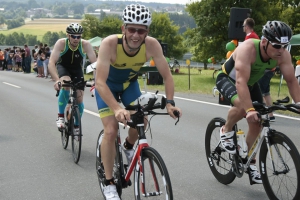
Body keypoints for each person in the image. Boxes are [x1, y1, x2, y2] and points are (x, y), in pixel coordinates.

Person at [94, 4, 182, 200]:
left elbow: (167, 76)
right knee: (111, 130)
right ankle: (109, 183)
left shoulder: (152, 45)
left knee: (142, 121)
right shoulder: (109, 44)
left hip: (128, 85)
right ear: (123, 28)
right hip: (106, 86)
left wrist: (169, 103)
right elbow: (99, 82)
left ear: (147, 32)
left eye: (141, 30)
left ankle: (127, 147)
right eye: (131, 29)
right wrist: (116, 109)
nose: (135, 35)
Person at [216, 20, 300, 184]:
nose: (281, 50)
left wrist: (298, 102)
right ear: (263, 42)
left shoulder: (282, 55)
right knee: (243, 107)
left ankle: (246, 159)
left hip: (250, 84)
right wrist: (249, 109)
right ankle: (226, 130)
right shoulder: (248, 48)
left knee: (258, 122)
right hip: (228, 79)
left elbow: (291, 80)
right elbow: (240, 82)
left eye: (284, 46)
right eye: (276, 46)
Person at [48, 23, 97, 132]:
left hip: (77, 70)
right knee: (66, 83)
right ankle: (60, 116)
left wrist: (96, 82)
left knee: (79, 99)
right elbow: (51, 62)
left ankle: (76, 125)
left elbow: (95, 64)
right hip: (63, 67)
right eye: (73, 36)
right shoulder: (61, 43)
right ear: (68, 36)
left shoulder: (85, 44)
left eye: (78, 36)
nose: (76, 39)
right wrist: (57, 80)